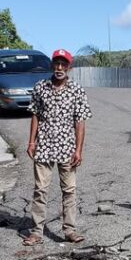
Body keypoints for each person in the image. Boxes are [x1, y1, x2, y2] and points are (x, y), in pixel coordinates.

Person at [23, 48, 92, 245]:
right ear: (52, 65)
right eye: (57, 64)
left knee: (69, 190)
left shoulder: (77, 90)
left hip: (67, 147)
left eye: (63, 64)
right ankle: (36, 232)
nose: (59, 68)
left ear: (69, 67)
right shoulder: (40, 87)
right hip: (44, 146)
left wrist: (78, 150)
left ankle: (70, 230)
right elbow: (35, 115)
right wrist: (31, 141)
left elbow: (80, 122)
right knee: (40, 190)